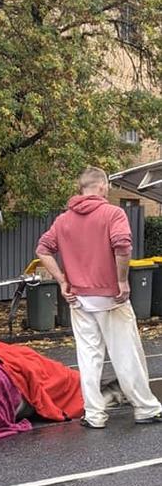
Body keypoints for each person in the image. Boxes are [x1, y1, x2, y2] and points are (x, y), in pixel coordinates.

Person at [36, 166, 162, 428]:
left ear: (80, 188)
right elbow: (122, 245)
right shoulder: (113, 213)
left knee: (88, 357)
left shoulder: (63, 221)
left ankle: (94, 414)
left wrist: (62, 281)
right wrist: (121, 280)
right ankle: (145, 407)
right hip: (111, 297)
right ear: (103, 187)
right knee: (126, 352)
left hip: (79, 300)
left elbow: (43, 249)